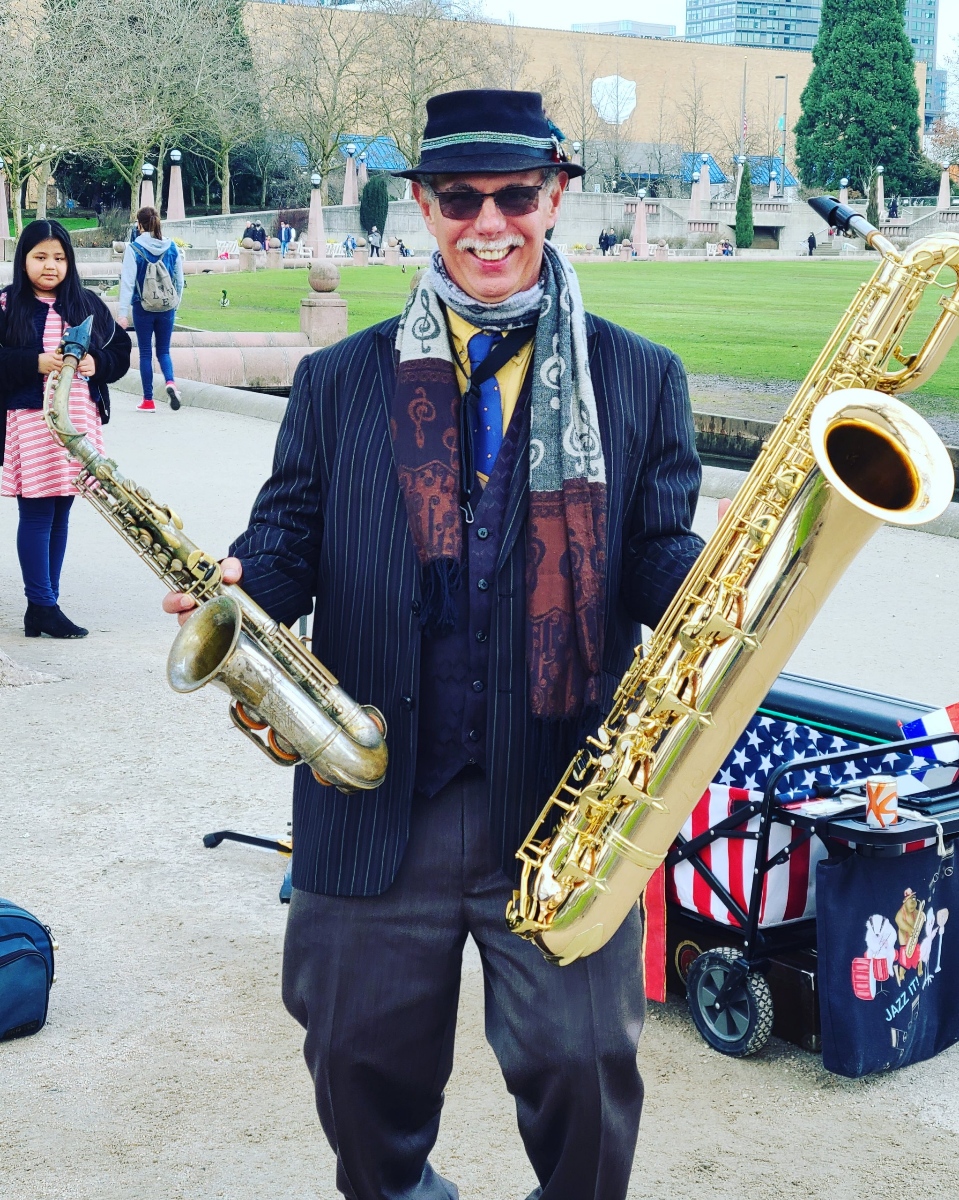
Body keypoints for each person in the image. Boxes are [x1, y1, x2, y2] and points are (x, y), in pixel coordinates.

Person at [163, 89, 704, 1200]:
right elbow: (287, 537)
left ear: (554, 197)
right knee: (353, 1065)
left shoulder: (641, 376)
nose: (488, 224)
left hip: (561, 795)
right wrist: (242, 583)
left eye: (515, 196)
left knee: (584, 1071)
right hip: (374, 795)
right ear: (422, 206)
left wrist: (722, 585)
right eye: (459, 199)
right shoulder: (335, 380)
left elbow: (655, 551)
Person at [0, 219, 131, 638]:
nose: (50, 266)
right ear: (23, 260)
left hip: (79, 422)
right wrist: (34, 362)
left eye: (59, 257)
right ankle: (41, 604)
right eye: (40, 257)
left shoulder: (85, 304)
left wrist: (98, 363)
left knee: (62, 509)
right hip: (31, 421)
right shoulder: (7, 305)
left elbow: (121, 350)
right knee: (37, 511)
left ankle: (46, 602)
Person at [117, 206, 184, 413]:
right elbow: (179, 280)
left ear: (139, 225)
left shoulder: (134, 248)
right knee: (163, 351)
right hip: (166, 308)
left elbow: (127, 282)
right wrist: (175, 304)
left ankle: (148, 400)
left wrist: (122, 313)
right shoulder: (171, 246)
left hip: (142, 306)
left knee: (145, 353)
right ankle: (170, 382)